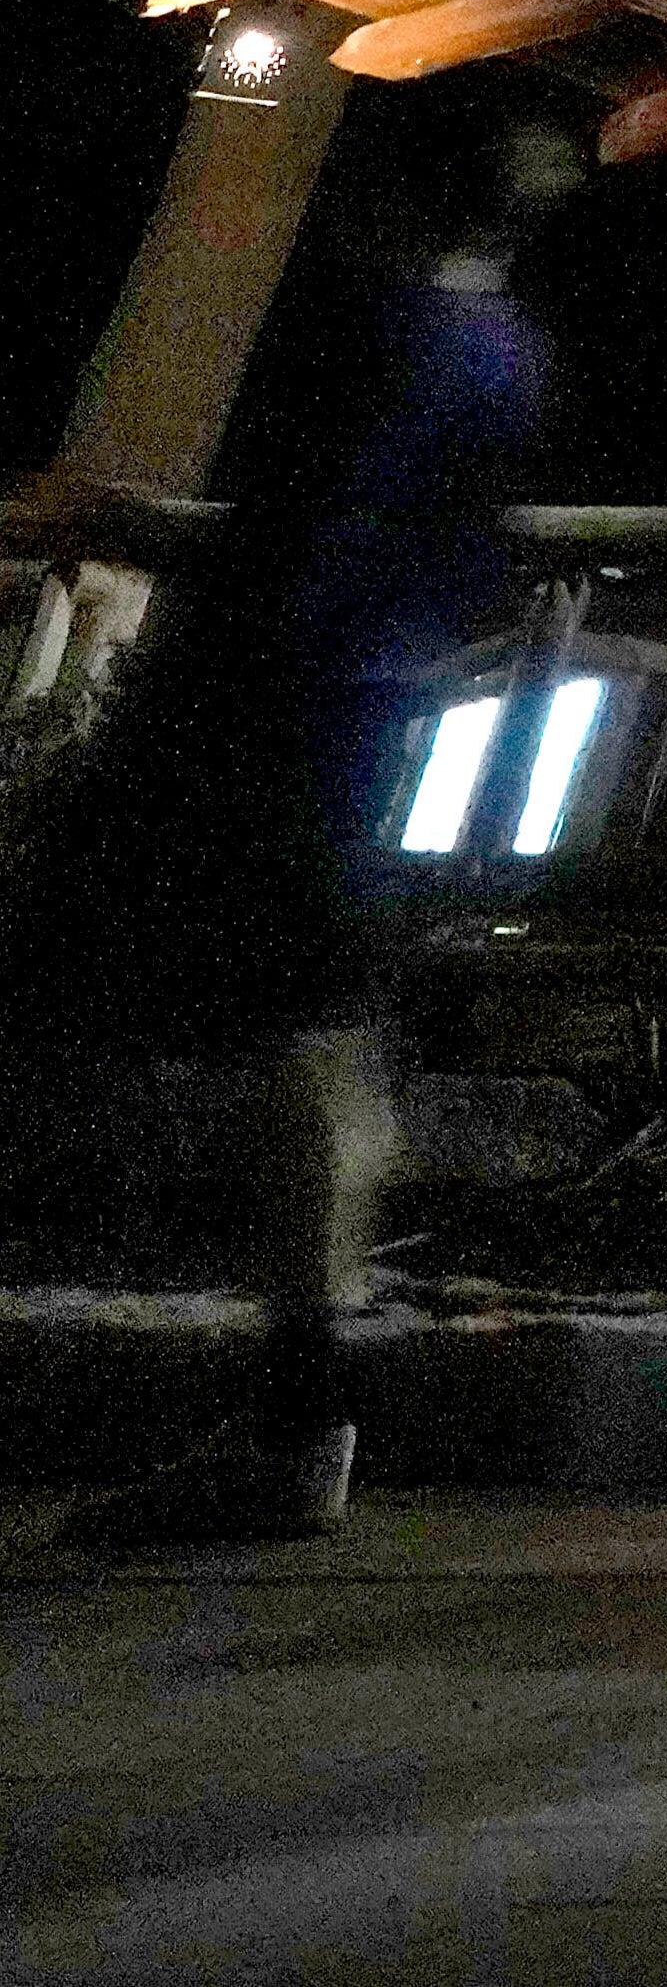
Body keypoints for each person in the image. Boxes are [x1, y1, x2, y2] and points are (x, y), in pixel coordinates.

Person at [24, 114, 569, 1551]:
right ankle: (298, 1411)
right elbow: (458, 566)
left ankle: (294, 1419)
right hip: (361, 723)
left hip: (260, 723)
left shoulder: (374, 333)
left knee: (203, 1036)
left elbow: (292, 538)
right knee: (317, 1052)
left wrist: (139, 543)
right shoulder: (511, 354)